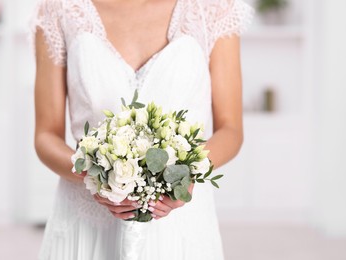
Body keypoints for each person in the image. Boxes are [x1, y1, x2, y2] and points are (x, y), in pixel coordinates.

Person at [31, 0, 252, 259]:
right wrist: (97, 176)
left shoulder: (214, 8)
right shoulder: (60, 9)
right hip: (87, 220)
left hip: (180, 223)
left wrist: (186, 175)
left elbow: (231, 129)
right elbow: (46, 134)